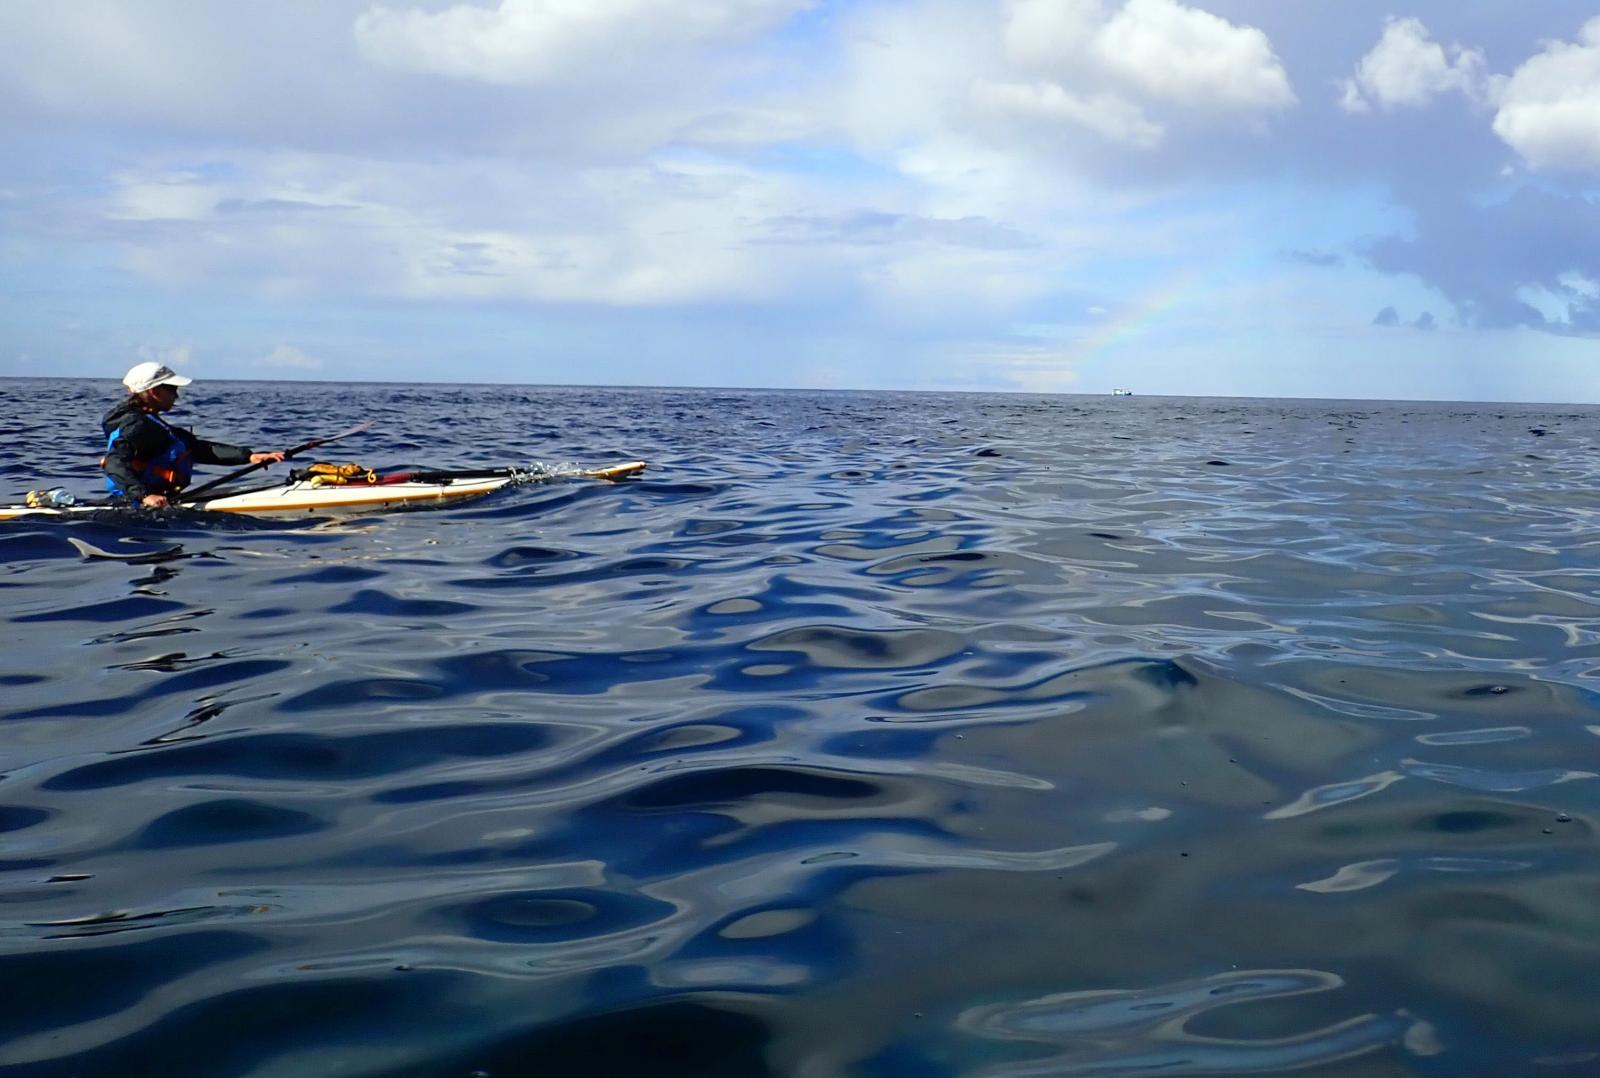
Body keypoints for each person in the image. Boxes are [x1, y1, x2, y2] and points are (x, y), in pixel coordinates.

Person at [102, 361, 286, 508]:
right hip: (141, 504)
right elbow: (113, 462)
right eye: (172, 389)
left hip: (161, 499)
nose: (176, 396)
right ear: (155, 392)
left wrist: (250, 457)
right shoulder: (138, 426)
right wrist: (145, 496)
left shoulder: (151, 422)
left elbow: (197, 449)